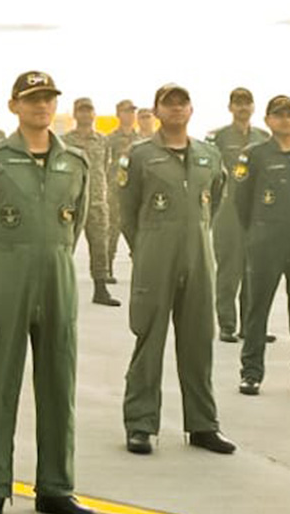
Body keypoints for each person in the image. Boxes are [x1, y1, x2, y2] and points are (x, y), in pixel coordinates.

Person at [0, 71, 96, 514]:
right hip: (7, 273)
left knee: (59, 383)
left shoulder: (74, 161)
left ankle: (56, 487)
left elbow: (74, 225)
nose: (42, 106)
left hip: (56, 275)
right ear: (15, 105)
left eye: (48, 99)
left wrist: (51, 257)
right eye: (33, 99)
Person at [117, 84, 233, 455]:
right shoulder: (139, 156)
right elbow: (127, 209)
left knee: (199, 340)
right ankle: (140, 424)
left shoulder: (208, 154)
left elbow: (214, 199)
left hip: (197, 254)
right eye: (169, 104)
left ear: (191, 109)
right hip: (155, 253)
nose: (177, 109)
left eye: (182, 103)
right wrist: (147, 246)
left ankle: (202, 424)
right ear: (157, 110)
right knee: (149, 339)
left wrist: (192, 233)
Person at [233, 94, 290, 396]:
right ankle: (251, 373)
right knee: (257, 310)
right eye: (279, 115)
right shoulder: (253, 154)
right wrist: (256, 232)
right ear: (268, 120)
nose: (285, 119)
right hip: (265, 241)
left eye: (289, 114)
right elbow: (241, 200)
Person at [207, 88, 269, 342]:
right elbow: (211, 173)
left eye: (247, 103)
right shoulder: (218, 137)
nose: (243, 108)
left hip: (256, 213)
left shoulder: (263, 137)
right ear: (230, 107)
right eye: (238, 103)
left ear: (253, 107)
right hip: (228, 211)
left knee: (254, 272)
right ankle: (227, 325)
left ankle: (250, 327)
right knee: (229, 270)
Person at [62, 98, 119, 307]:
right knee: (66, 246)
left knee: (100, 245)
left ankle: (101, 288)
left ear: (94, 114)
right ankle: (62, 288)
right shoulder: (65, 141)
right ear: (75, 114)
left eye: (89, 111)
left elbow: (104, 167)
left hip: (96, 201)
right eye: (81, 111)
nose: (85, 115)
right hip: (72, 201)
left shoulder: (103, 141)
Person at [103, 100, 140, 283]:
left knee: (138, 231)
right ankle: (107, 268)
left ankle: (140, 267)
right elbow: (103, 164)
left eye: (132, 111)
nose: (130, 115)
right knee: (112, 230)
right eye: (126, 111)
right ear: (118, 114)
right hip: (115, 191)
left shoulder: (141, 140)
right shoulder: (110, 139)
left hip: (135, 192)